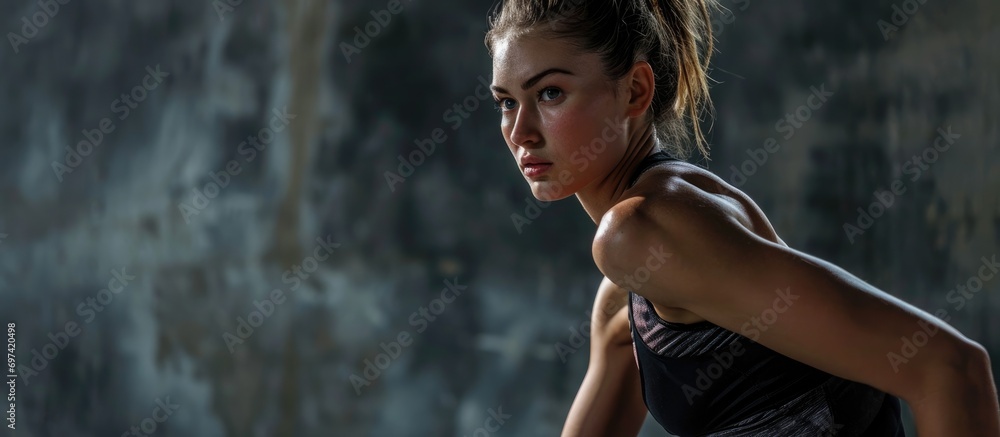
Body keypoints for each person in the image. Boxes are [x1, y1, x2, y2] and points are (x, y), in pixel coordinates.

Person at [483, 1, 1000, 436]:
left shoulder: (640, 232)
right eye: (507, 102)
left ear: (636, 91)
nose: (520, 131)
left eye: (550, 93)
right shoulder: (628, 290)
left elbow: (951, 370)